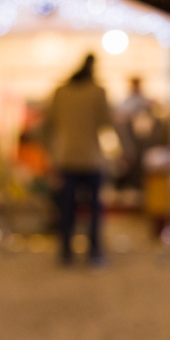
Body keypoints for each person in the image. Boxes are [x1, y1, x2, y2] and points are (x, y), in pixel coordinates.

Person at [48, 55, 113, 266]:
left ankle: (66, 251)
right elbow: (107, 123)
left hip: (67, 157)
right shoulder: (97, 92)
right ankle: (94, 251)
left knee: (67, 207)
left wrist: (50, 150)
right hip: (91, 158)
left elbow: (47, 124)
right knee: (94, 209)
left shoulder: (61, 93)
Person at [116, 77, 162, 189]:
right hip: (133, 138)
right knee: (133, 163)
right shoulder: (127, 102)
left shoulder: (145, 101)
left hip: (146, 138)